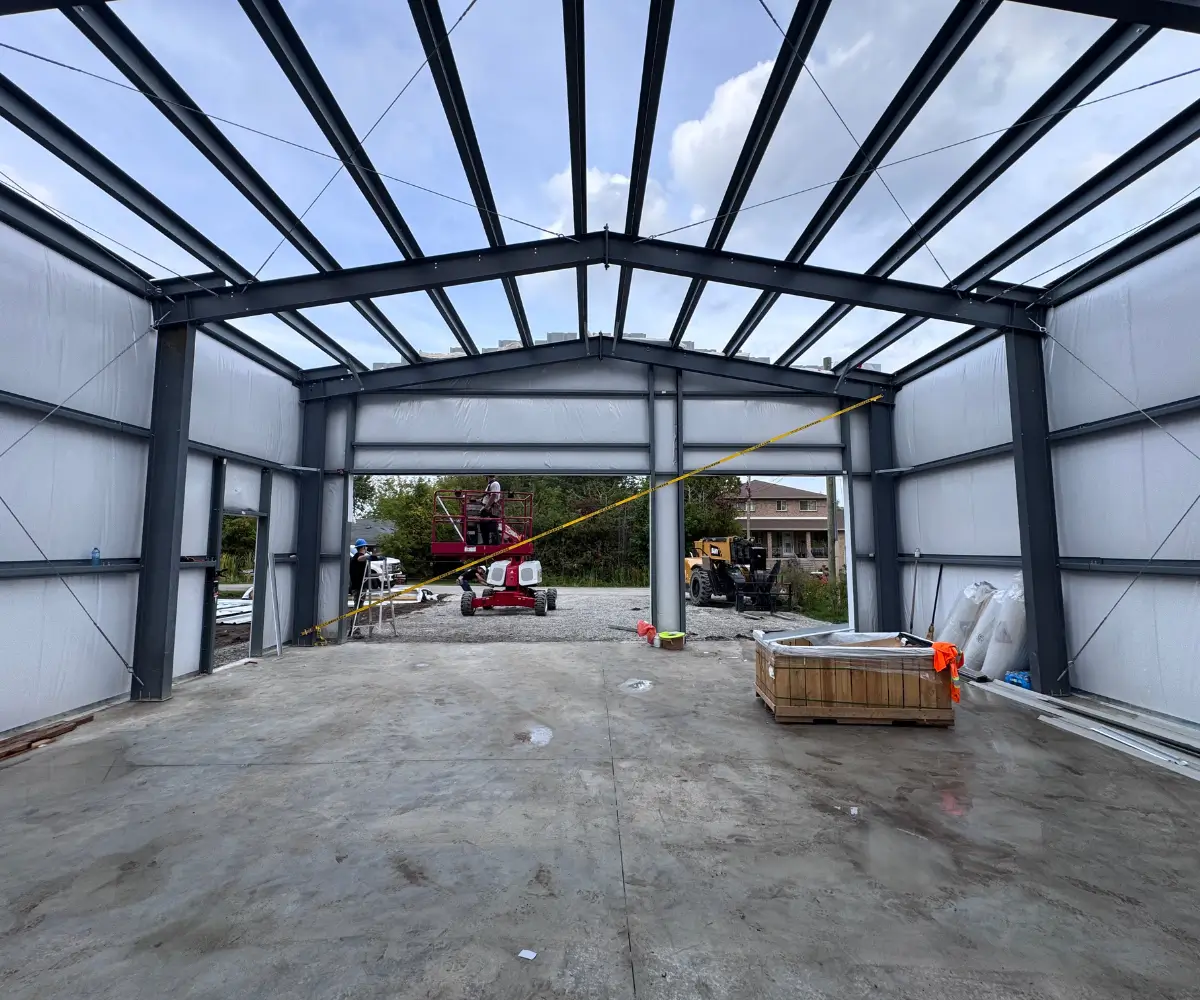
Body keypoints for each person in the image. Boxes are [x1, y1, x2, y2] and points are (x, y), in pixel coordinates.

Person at [480, 475, 503, 546]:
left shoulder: (495, 484)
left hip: (491, 508)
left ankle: (496, 543)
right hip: (488, 507)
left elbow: (493, 496)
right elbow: (488, 496)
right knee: (484, 525)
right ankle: (486, 543)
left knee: (492, 526)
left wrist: (486, 507)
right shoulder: (490, 485)